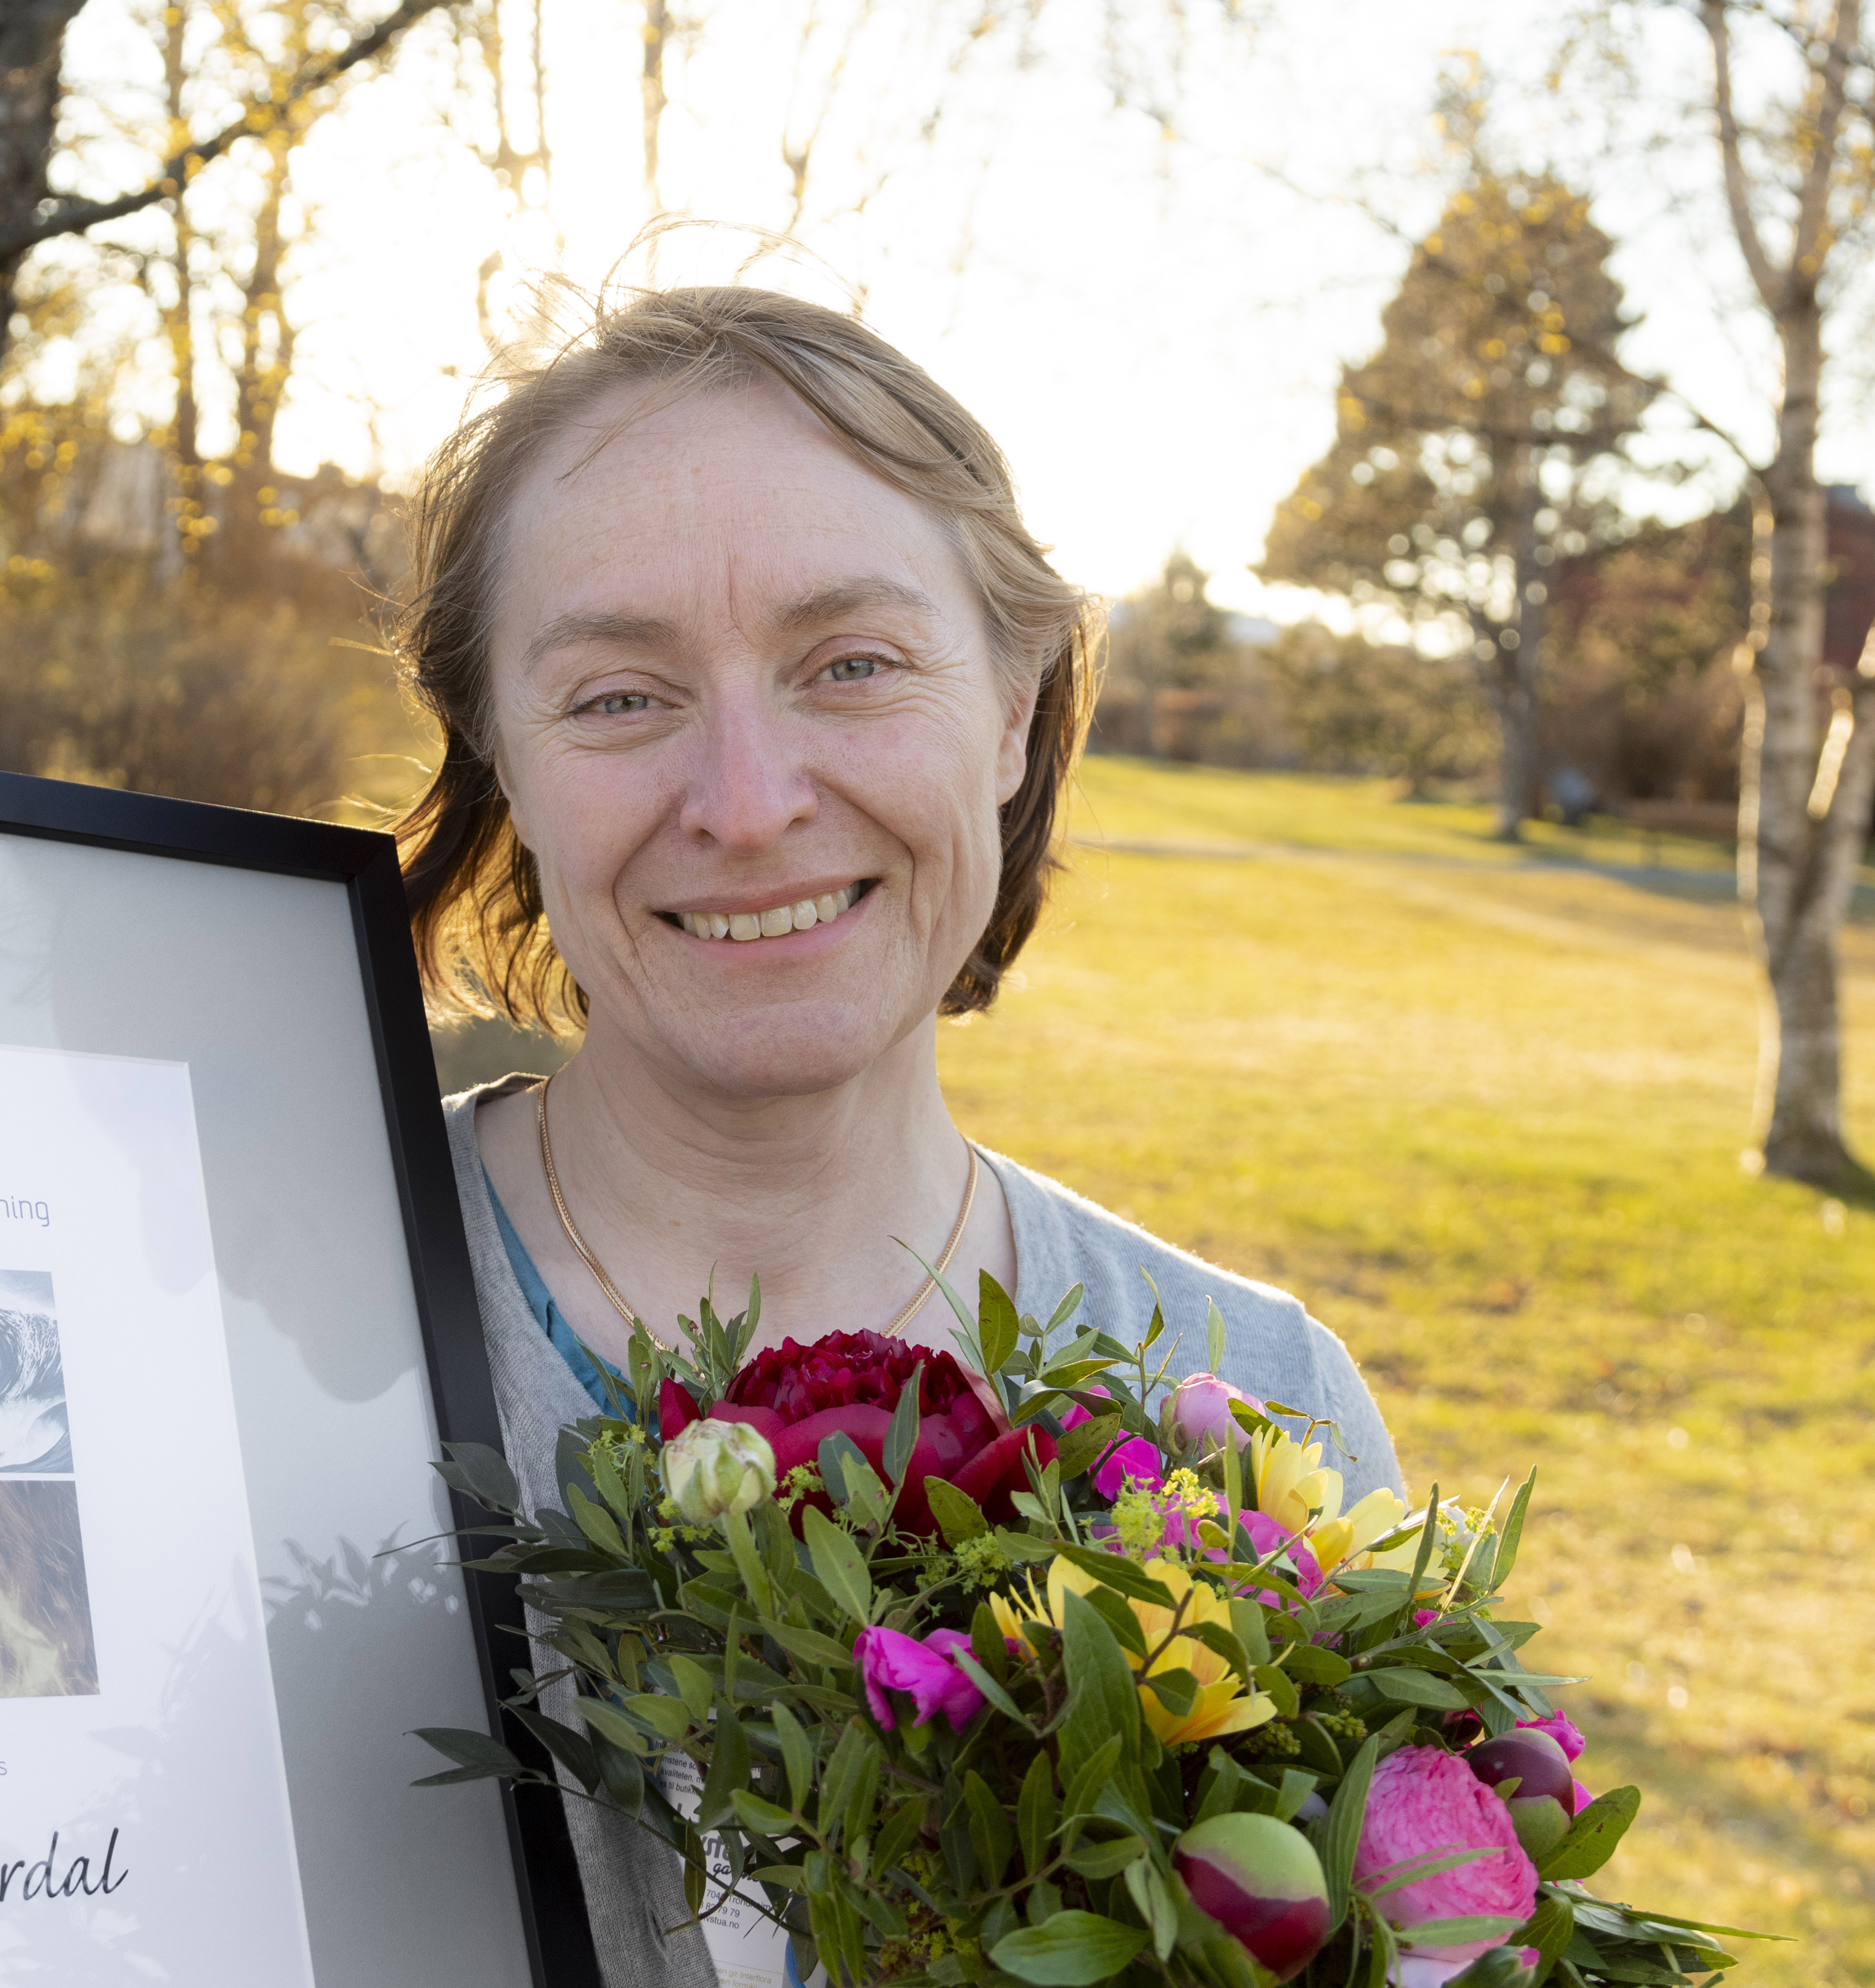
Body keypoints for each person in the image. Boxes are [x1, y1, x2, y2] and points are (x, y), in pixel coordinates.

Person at [393, 285, 1401, 1988]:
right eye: (620, 697)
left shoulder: (1261, 1413)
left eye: (850, 664)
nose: (745, 798)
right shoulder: (235, 1336)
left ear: (1012, 706)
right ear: (504, 751)